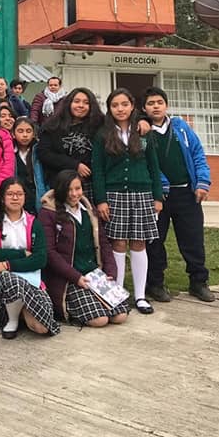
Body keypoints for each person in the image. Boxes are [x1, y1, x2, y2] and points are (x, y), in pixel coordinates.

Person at [92, 88, 163, 315]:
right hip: (114, 196)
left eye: (124, 104)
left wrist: (157, 196)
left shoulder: (144, 133)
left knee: (139, 243)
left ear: (132, 106)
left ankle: (140, 296)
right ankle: (119, 293)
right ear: (109, 108)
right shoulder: (102, 135)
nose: (120, 109)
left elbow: (154, 166)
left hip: (142, 194)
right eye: (115, 105)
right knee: (119, 243)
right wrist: (101, 200)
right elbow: (98, 171)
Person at [142, 87, 215, 303]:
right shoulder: (142, 132)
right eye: (150, 103)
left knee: (192, 239)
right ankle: (155, 283)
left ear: (166, 105)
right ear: (144, 108)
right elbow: (145, 163)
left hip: (187, 193)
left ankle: (198, 282)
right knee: (154, 241)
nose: (155, 106)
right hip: (159, 196)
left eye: (159, 102)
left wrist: (202, 182)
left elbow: (198, 154)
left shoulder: (181, 127)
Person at [39, 170, 129, 327]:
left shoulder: (89, 210)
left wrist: (110, 273)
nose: (74, 194)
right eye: (69, 189)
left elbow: (104, 244)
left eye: (78, 188)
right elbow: (50, 253)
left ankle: (96, 304)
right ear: (60, 190)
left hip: (94, 275)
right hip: (69, 279)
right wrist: (76, 277)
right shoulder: (48, 214)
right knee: (100, 320)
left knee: (120, 316)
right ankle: (70, 310)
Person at [0, 178, 59, 339]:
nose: (15, 198)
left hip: (31, 280)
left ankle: (22, 310)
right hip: (0, 284)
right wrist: (22, 254)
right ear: (2, 197)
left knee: (43, 327)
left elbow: (40, 259)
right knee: (12, 281)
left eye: (19, 194)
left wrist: (7, 264)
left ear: (25, 197)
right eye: (10, 194)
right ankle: (12, 320)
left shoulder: (33, 223)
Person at [37, 88, 104, 201]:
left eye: (86, 103)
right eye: (76, 101)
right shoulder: (53, 126)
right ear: (69, 103)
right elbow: (44, 153)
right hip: (61, 184)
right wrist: (75, 165)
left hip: (90, 186)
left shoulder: (99, 125)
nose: (81, 105)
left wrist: (143, 121)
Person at [12, 117, 45, 214]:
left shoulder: (39, 151)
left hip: (38, 198)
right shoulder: (10, 153)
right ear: (13, 134)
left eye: (28, 131)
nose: (25, 135)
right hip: (18, 199)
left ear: (34, 134)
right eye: (20, 131)